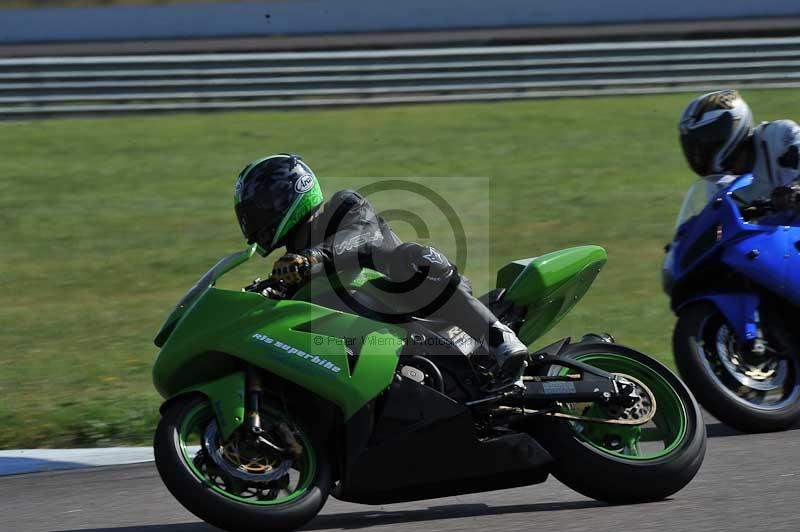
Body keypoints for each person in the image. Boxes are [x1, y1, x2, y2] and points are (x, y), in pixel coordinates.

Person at [233, 154, 528, 385]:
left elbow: (360, 238)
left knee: (412, 255)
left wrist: (312, 258)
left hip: (426, 311)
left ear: (286, 195)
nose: (253, 220)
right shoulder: (291, 268)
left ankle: (499, 339)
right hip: (373, 348)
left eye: (258, 207)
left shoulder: (343, 207)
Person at [678, 89, 800, 210]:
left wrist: (795, 192)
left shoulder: (780, 137)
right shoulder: (718, 185)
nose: (698, 153)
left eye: (706, 140)